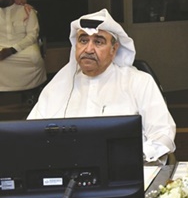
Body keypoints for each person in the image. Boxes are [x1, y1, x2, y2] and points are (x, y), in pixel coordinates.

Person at [28, 9, 176, 162]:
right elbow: (29, 134)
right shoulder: (57, 87)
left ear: (114, 49)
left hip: (125, 170)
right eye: (83, 40)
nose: (89, 49)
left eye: (98, 42)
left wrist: (133, 157)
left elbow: (163, 134)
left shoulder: (138, 82)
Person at [0, 0, 47, 92]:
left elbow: (32, 35)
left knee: (34, 58)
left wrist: (12, 50)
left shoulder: (27, 11)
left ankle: (34, 90)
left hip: (24, 47)